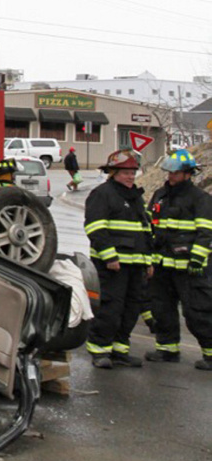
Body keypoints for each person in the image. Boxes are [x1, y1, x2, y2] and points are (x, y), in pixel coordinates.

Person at [83, 149, 152, 369]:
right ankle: (100, 350)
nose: (131, 176)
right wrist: (109, 256)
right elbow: (95, 227)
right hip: (112, 265)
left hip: (135, 264)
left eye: (133, 172)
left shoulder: (135, 197)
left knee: (131, 309)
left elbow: (145, 232)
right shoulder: (102, 194)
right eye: (125, 173)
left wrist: (148, 260)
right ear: (112, 172)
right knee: (110, 308)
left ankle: (120, 350)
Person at [144, 149, 212, 371]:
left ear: (187, 174)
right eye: (169, 172)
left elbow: (206, 232)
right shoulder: (160, 195)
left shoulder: (200, 199)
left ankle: (210, 354)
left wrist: (197, 260)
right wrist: (150, 260)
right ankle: (167, 349)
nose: (170, 177)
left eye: (175, 173)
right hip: (162, 266)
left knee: (197, 312)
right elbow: (150, 228)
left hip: (190, 269)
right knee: (161, 308)